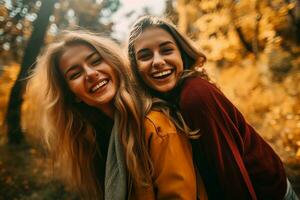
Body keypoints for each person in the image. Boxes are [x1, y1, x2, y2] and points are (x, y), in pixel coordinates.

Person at [128, 15, 298, 200]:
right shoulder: (163, 101)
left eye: (167, 50)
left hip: (267, 192)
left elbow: (230, 172)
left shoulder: (196, 96)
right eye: (145, 56)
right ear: (135, 67)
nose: (158, 61)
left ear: (182, 53)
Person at [27, 30, 205, 199]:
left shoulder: (155, 126)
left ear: (115, 64)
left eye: (96, 61)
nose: (90, 74)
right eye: (75, 74)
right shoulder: (97, 139)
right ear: (72, 95)